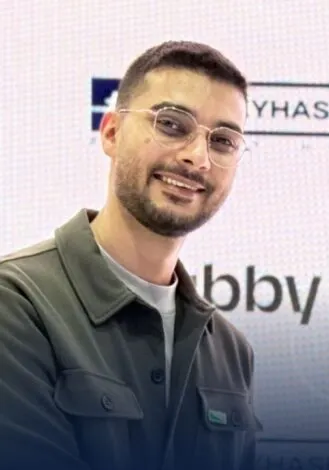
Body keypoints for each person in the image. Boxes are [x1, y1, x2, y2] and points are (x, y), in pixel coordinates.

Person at [0, 41, 258, 470]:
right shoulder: (17, 305)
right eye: (172, 125)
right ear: (111, 133)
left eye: (224, 141)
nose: (198, 157)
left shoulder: (230, 351)